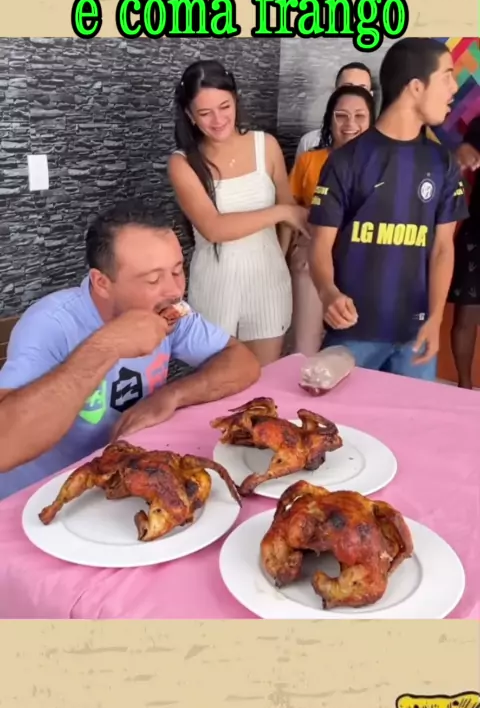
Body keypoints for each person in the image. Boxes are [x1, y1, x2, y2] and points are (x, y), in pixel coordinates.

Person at [0, 201, 261, 500]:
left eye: (178, 271)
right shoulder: (49, 325)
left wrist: (171, 396)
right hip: (42, 496)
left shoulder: (168, 311)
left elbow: (242, 361)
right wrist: (106, 346)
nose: (174, 290)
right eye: (153, 279)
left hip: (123, 480)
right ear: (102, 283)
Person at [308, 37, 467, 380]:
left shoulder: (442, 162)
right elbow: (319, 245)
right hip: (352, 333)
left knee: (410, 416)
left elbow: (443, 248)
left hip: (415, 337)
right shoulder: (347, 160)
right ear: (415, 87)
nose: (454, 88)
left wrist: (436, 318)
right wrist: (328, 292)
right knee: (343, 415)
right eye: (446, 76)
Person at [168, 60, 308, 367]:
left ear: (236, 100)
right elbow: (214, 229)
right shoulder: (182, 163)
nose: (218, 120)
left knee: (265, 380)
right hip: (216, 285)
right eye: (205, 113)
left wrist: (278, 256)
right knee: (219, 381)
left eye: (225, 107)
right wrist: (280, 212)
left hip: (269, 282)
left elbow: (290, 220)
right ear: (190, 115)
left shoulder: (265, 145)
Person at [288, 85, 375, 355]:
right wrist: (284, 256)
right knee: (305, 348)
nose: (350, 125)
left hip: (363, 262)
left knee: (352, 349)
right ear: (329, 120)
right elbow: (290, 210)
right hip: (312, 258)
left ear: (372, 120)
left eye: (360, 116)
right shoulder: (310, 161)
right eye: (341, 116)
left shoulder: (383, 165)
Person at [449, 118, 480, 388]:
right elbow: (464, 152)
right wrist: (464, 153)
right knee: (467, 314)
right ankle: (465, 389)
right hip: (477, 231)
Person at [296, 62, 373, 157]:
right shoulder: (309, 143)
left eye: (362, 89)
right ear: (334, 93)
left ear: (371, 96)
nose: (353, 96)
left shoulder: (383, 148)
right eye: (346, 88)